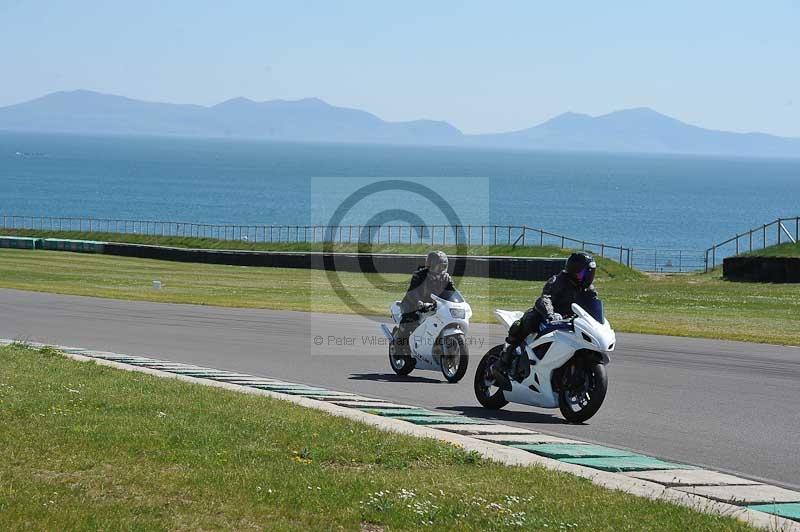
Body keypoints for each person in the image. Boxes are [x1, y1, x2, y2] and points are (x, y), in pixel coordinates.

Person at [492, 252, 598, 391]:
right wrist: (550, 314)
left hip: (569, 321)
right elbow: (545, 298)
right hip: (547, 317)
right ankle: (504, 360)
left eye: (590, 272)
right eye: (585, 272)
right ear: (574, 270)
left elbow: (594, 305)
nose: (588, 276)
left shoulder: (588, 289)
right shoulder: (558, 281)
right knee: (530, 319)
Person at [395, 250, 455, 354]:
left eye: (443, 266)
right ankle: (398, 347)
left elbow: (453, 292)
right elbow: (412, 292)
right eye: (438, 266)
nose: (441, 269)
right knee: (410, 320)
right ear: (430, 265)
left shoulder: (446, 278)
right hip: (412, 304)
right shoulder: (419, 275)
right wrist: (419, 303)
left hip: (434, 305)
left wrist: (458, 303)